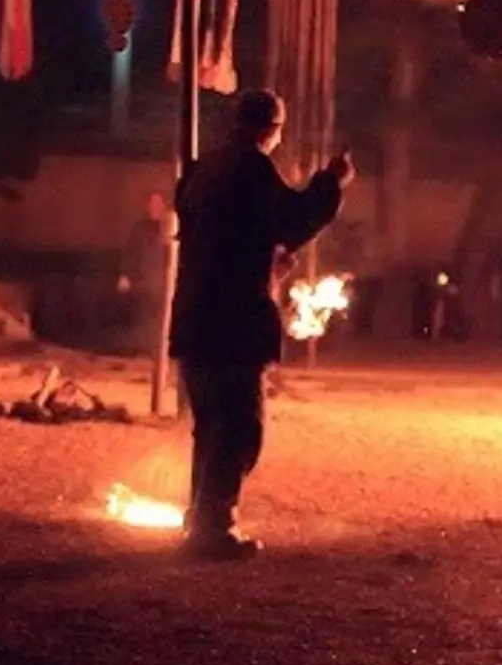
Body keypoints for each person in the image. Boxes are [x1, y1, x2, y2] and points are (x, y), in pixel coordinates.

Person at [168, 89, 352, 559]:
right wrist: (331, 182)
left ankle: (200, 519)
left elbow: (220, 239)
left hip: (195, 315)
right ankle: (213, 529)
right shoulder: (250, 168)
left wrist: (264, 265)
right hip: (231, 320)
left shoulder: (203, 169)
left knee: (210, 426)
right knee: (238, 428)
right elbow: (294, 218)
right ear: (271, 130)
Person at [117, 189, 172, 353]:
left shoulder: (168, 229)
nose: (155, 207)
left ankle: (159, 351)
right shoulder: (140, 229)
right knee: (142, 317)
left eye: (158, 204)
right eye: (152, 204)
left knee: (160, 320)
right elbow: (131, 253)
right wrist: (125, 275)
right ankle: (141, 349)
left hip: (163, 284)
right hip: (143, 283)